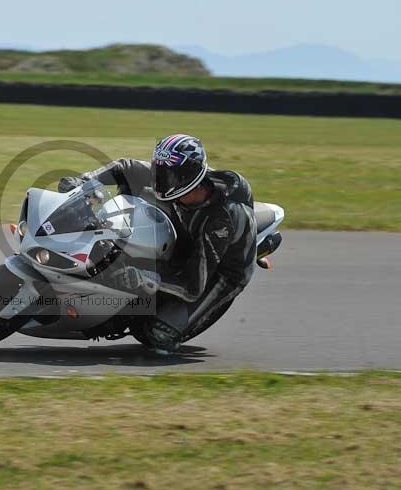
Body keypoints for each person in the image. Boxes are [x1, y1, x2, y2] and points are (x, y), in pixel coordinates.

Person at [58, 134, 257, 354]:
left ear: (187, 175)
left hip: (221, 271)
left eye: (167, 174)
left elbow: (193, 285)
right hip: (184, 235)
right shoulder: (176, 186)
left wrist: (145, 278)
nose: (159, 178)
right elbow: (126, 167)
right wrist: (85, 180)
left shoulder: (220, 220)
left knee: (157, 333)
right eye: (159, 169)